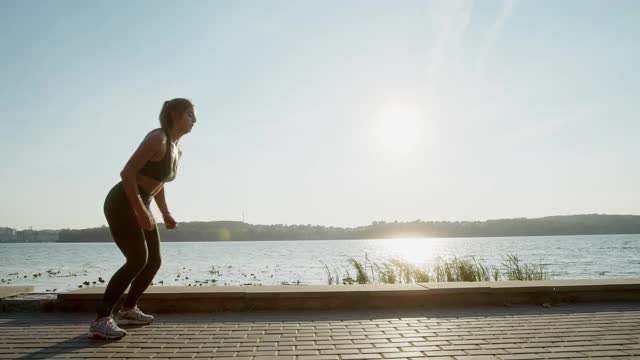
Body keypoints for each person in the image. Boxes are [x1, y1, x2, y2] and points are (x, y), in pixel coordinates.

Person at [89, 98, 196, 339]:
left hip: (142, 201)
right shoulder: (157, 138)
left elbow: (159, 183)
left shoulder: (176, 148)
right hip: (122, 201)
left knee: (153, 260)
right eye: (190, 115)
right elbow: (127, 173)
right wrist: (139, 210)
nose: (195, 121)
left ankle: (127, 310)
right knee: (138, 259)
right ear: (174, 115)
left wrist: (165, 212)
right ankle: (101, 319)